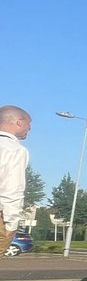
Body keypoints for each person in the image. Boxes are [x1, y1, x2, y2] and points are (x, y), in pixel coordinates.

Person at [0, 105, 32, 258]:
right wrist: (11, 223)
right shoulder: (15, 150)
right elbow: (12, 189)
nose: (30, 129)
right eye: (28, 124)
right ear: (19, 122)